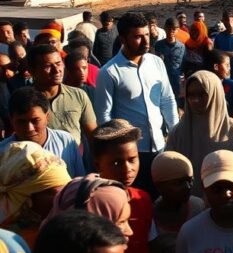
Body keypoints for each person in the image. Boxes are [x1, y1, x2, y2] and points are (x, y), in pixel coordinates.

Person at [94, 12, 178, 194]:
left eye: (147, 34)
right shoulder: (109, 72)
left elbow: (168, 100)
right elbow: (104, 118)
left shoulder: (156, 63)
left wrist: (175, 133)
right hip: (131, 157)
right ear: (123, 39)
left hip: (161, 147)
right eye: (138, 37)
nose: (145, 41)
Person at [91, 119, 164, 253]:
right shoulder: (89, 203)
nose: (127, 169)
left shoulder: (143, 199)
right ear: (98, 164)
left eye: (133, 159)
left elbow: (152, 249)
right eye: (116, 163)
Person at [166, 71, 233, 196]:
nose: (195, 100)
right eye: (191, 95)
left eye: (202, 94)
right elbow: (169, 174)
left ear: (215, 94)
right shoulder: (178, 133)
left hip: (227, 202)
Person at [0, 141, 71, 248]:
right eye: (52, 192)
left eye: (66, 188)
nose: (64, 196)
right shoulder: (8, 246)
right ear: (26, 199)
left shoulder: (63, 231)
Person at [2, 88, 85, 178]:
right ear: (11, 121)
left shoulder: (66, 142)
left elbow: (79, 181)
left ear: (47, 117)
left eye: (35, 121)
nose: (29, 128)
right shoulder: (3, 153)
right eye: (21, 122)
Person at [27, 45, 96, 145]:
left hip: (74, 159)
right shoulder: (25, 100)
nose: (56, 70)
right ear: (32, 71)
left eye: (58, 63)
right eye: (48, 66)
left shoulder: (79, 95)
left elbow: (92, 136)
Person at [154, 18, 186, 101]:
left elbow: (183, 64)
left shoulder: (181, 47)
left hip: (176, 81)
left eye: (174, 29)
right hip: (161, 79)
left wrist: (183, 82)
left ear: (178, 30)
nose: (171, 31)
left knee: (175, 102)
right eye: (169, 28)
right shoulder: (159, 45)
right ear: (165, 28)